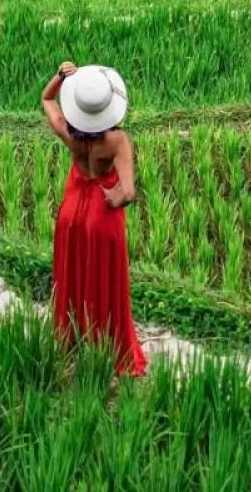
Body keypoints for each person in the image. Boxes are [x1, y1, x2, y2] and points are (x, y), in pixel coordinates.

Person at [41, 60, 147, 377]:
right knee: (102, 280)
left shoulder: (69, 133)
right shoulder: (116, 142)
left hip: (72, 212)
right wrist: (114, 198)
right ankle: (105, 345)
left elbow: (46, 100)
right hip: (100, 216)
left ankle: (71, 337)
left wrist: (60, 77)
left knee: (73, 275)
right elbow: (127, 192)